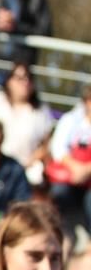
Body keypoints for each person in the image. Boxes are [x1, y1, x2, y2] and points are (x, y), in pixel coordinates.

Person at [0, 62, 54, 180]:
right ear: (9, 81)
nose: (25, 82)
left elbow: (46, 145)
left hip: (27, 169)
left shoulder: (41, 110)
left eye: (28, 78)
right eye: (20, 78)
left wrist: (29, 163)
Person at [48, 85, 91, 229]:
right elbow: (58, 148)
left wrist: (86, 170)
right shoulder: (71, 120)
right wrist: (75, 167)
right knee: (59, 193)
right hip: (68, 175)